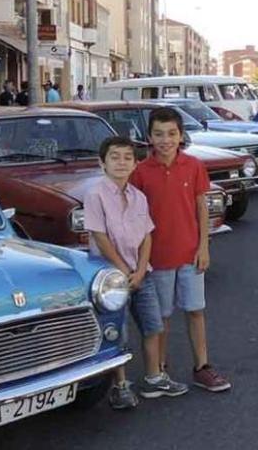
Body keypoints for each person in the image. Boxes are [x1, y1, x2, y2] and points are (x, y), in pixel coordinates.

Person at [130, 107, 232, 392]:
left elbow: (201, 207)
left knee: (195, 310)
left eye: (171, 134)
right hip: (157, 258)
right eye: (159, 134)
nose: (165, 140)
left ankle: (202, 366)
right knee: (160, 317)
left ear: (181, 135)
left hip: (189, 252)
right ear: (149, 137)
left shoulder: (193, 166)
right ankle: (159, 370)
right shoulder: (140, 173)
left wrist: (204, 246)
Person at [84, 136, 187, 409]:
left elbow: (147, 236)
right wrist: (124, 269)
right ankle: (120, 386)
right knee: (118, 332)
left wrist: (141, 269)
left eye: (127, 157)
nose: (121, 162)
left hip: (141, 273)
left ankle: (154, 377)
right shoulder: (95, 195)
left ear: (135, 163)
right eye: (114, 157)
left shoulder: (138, 196)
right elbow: (100, 236)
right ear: (102, 162)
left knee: (152, 326)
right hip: (111, 277)